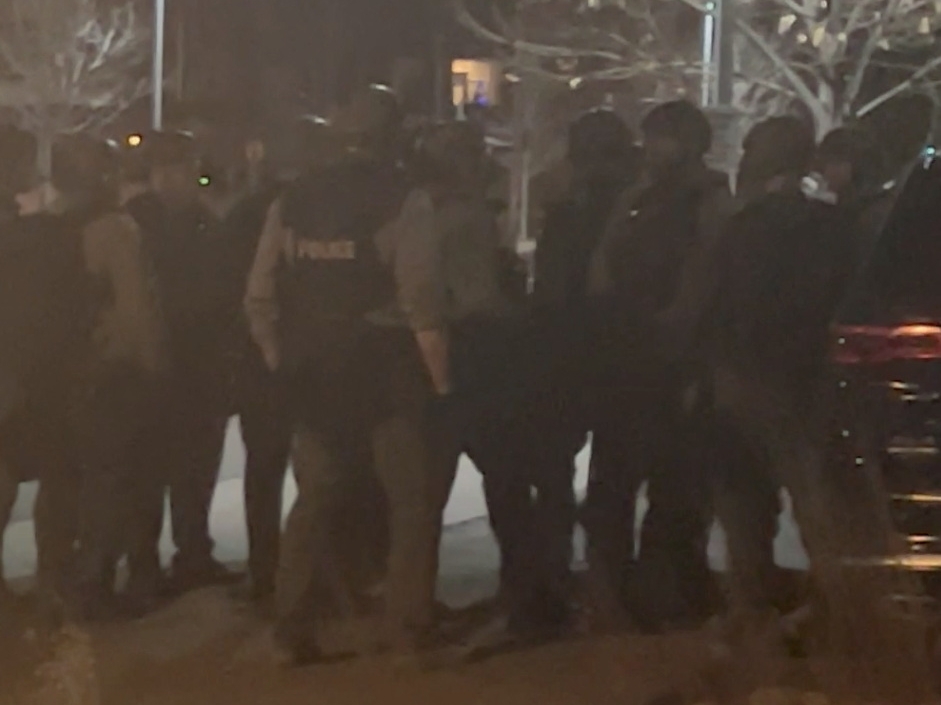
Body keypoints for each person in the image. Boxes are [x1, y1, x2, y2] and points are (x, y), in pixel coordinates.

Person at [246, 86, 444, 665]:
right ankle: (407, 627)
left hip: (313, 372)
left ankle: (292, 625)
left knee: (313, 500)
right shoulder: (405, 199)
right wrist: (439, 378)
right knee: (410, 502)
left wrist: (281, 357)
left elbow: (259, 294)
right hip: (385, 373)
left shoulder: (292, 200)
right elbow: (423, 300)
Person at [586, 100, 736, 629]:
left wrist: (658, 330)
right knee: (645, 485)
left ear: (691, 143)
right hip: (647, 360)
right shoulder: (653, 198)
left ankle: (643, 595)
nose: (651, 150)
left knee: (658, 486)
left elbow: (702, 282)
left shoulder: (700, 202)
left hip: (663, 363)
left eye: (662, 139)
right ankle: (638, 596)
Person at [705, 116, 857, 622]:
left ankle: (752, 607)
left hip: (745, 378)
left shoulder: (743, 226)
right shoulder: (834, 227)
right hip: (808, 378)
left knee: (746, 502)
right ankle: (836, 608)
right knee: (814, 501)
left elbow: (716, 304)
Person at [49, 136, 167, 619]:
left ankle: (55, 576)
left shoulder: (49, 226)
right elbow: (137, 308)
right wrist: (155, 366)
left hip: (59, 371)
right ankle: (97, 580)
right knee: (116, 478)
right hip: (112, 371)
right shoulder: (116, 229)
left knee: (66, 478)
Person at [127, 130, 240, 596]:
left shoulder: (199, 221)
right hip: (158, 365)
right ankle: (148, 563)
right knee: (153, 471)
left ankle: (187, 554)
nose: (176, 177)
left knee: (190, 469)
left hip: (195, 365)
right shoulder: (141, 222)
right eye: (168, 168)